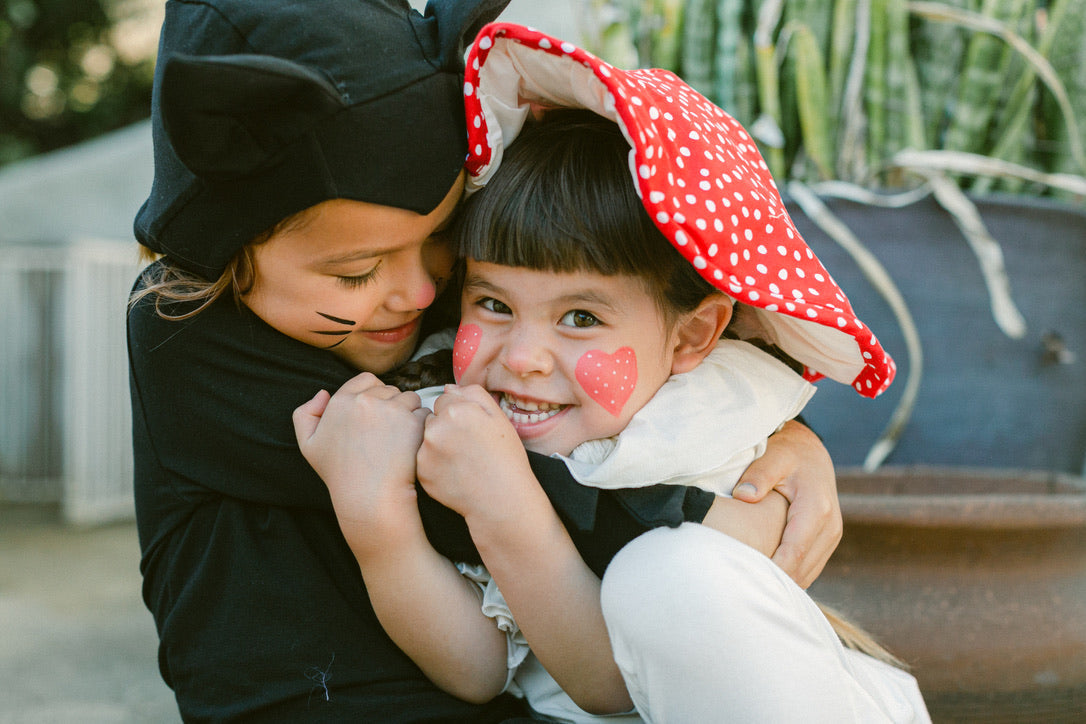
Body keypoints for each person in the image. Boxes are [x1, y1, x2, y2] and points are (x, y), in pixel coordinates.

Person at [128, 2, 841, 721]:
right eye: (355, 273)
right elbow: (494, 478)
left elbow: (627, 372)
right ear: (229, 256)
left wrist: (780, 446)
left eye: (441, 238)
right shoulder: (180, 328)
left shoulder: (455, 307)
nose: (420, 289)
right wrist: (705, 514)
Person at [404, 108, 928, 722]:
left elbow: (606, 681)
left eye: (581, 318)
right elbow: (476, 667)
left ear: (691, 337)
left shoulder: (701, 423)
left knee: (661, 575)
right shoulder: (448, 412)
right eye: (493, 303)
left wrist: (503, 505)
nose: (521, 359)